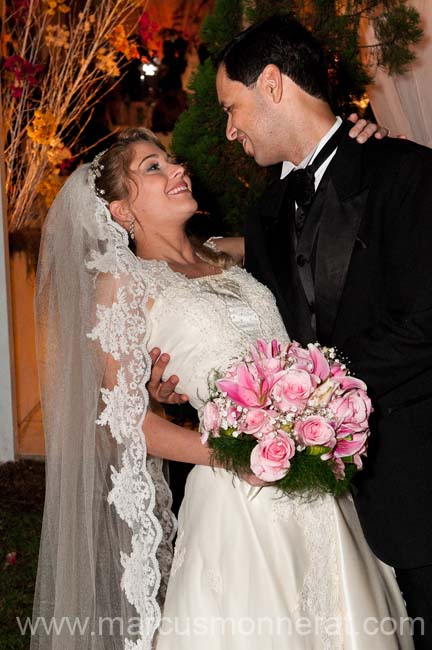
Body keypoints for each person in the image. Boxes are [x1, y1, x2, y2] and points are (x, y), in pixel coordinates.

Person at [148, 13, 432, 650]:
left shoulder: (404, 174)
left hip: (414, 484)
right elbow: (267, 328)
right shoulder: (267, 210)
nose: (228, 129)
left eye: (231, 107)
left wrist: (316, 393)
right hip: (314, 497)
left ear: (272, 84)